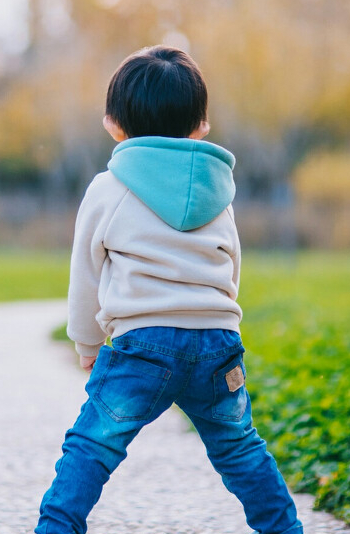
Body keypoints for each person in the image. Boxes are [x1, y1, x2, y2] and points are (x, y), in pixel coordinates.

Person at [35, 46, 303, 534]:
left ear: (113, 124)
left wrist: (87, 345)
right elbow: (230, 266)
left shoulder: (109, 188)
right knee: (240, 449)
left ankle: (56, 527)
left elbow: (86, 276)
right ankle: (285, 529)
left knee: (93, 446)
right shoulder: (218, 194)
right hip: (218, 345)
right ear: (201, 126)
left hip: (143, 347)